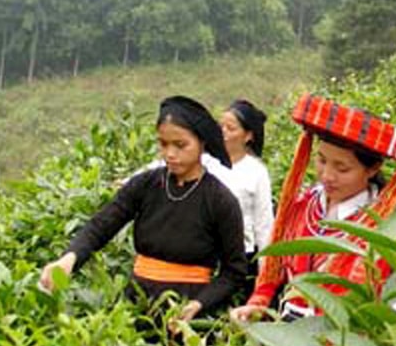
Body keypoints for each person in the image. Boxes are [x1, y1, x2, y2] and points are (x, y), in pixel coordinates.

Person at [39, 96, 247, 326]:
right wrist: (69, 259)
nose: (170, 154)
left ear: (202, 143)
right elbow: (102, 225)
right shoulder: (145, 185)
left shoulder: (220, 200)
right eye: (163, 144)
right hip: (137, 301)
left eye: (180, 145)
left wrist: (198, 304)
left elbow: (233, 272)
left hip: (188, 311)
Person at [230, 93, 396, 322]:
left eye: (342, 168)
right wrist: (258, 304)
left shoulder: (381, 230)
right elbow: (274, 273)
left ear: (372, 169)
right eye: (321, 160)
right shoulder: (304, 205)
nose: (327, 175)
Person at [219, 99, 274, 292]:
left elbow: (264, 223)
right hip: (206, 254)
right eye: (221, 126)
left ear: (248, 135)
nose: (223, 132)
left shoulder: (256, 172)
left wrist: (265, 274)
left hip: (242, 257)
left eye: (230, 128)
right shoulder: (206, 163)